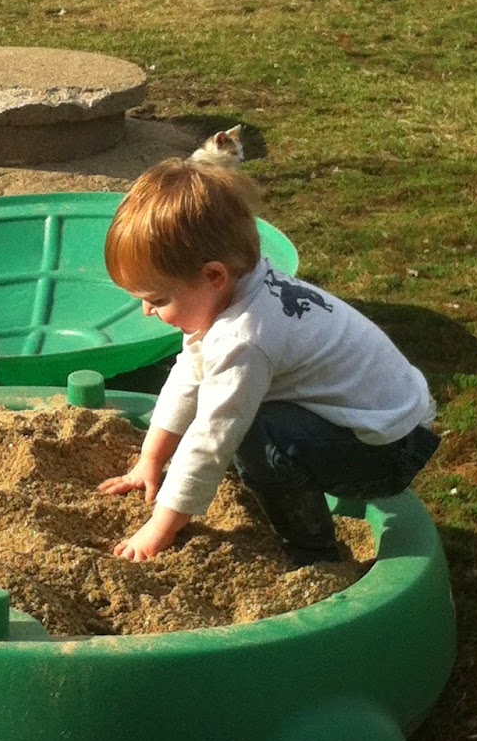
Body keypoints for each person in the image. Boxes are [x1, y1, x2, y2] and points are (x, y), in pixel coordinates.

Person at [98, 159, 440, 563]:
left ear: (213, 276)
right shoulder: (243, 287)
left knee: (257, 434)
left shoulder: (244, 337)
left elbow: (211, 438)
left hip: (389, 451)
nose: (147, 311)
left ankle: (312, 554)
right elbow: (190, 374)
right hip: (389, 418)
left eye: (157, 299)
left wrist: (158, 529)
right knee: (244, 417)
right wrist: (150, 461)